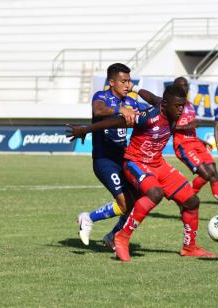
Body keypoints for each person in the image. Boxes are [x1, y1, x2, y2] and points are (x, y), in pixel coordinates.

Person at [68, 85, 216, 262]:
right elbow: (116, 121)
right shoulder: (148, 117)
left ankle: (189, 247)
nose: (181, 110)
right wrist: (85, 129)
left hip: (158, 163)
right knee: (155, 193)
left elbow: (152, 96)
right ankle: (122, 237)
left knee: (192, 200)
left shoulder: (170, 109)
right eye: (177, 106)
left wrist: (136, 88)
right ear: (166, 104)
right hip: (135, 162)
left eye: (182, 105)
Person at [141, 77, 218, 223]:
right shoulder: (173, 106)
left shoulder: (190, 105)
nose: (184, 87)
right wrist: (188, 126)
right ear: (176, 87)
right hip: (183, 145)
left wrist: (201, 140)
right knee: (208, 174)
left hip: (195, 143)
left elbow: (191, 128)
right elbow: (169, 127)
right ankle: (186, 199)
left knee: (214, 174)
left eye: (186, 85)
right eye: (181, 85)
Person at [76, 63, 139, 249]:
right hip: (104, 160)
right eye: (123, 81)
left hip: (124, 159)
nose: (128, 85)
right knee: (125, 203)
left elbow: (148, 113)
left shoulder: (132, 102)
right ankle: (88, 218)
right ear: (112, 82)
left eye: (129, 81)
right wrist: (120, 110)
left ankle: (112, 237)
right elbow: (98, 110)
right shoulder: (101, 97)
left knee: (137, 203)